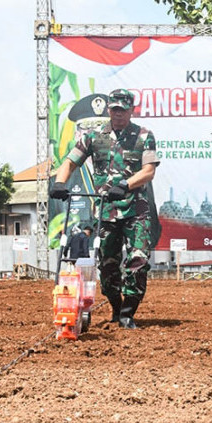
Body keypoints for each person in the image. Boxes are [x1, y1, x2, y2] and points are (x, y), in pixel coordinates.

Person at [50, 89, 159, 329]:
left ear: (131, 110)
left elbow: (148, 170)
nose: (118, 114)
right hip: (106, 212)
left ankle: (128, 312)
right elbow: (69, 162)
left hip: (135, 211)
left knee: (138, 261)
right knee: (107, 265)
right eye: (114, 109)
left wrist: (126, 185)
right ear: (109, 110)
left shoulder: (144, 136)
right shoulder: (93, 137)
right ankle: (116, 307)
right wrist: (60, 183)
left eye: (123, 109)